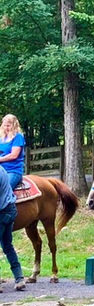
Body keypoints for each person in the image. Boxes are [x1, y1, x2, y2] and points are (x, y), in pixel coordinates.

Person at [0, 164, 26, 292]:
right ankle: (19, 278)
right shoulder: (2, 169)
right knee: (7, 245)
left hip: (1, 212)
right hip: (10, 210)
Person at [0, 114, 25, 190]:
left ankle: (9, 201)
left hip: (12, 170)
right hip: (1, 169)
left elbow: (13, 155)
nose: (6, 128)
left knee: (4, 189)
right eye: (4, 125)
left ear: (14, 125)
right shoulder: (1, 138)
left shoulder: (18, 137)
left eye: (8, 126)